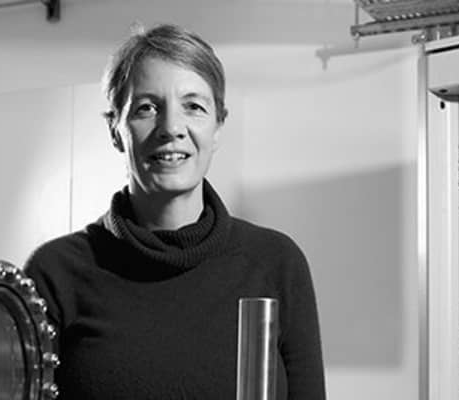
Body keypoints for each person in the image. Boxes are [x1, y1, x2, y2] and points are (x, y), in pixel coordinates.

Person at [24, 23, 325, 400]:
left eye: (194, 107)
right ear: (115, 130)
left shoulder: (275, 263)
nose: (171, 128)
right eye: (147, 108)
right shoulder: (55, 274)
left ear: (218, 126)